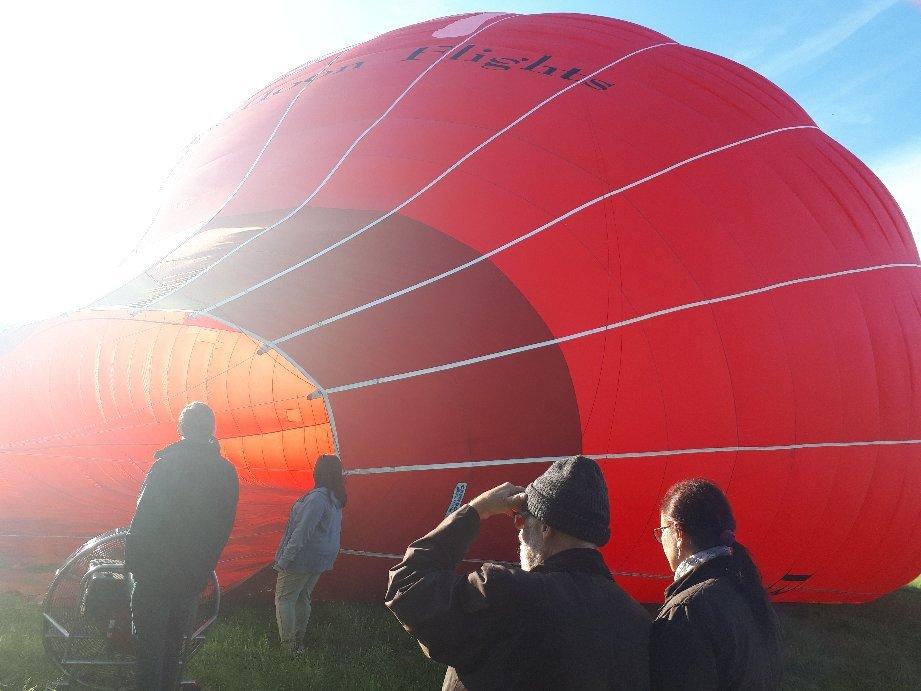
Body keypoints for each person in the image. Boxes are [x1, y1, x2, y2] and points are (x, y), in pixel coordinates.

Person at [386, 455, 651, 690]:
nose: (519, 531)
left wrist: (477, 510)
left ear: (546, 528)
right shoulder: (637, 622)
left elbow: (407, 584)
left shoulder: (507, 591)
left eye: (523, 518)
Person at [126, 401, 239, 690]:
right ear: (211, 429)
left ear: (182, 429)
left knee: (150, 648)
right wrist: (203, 568)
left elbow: (144, 519)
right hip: (192, 576)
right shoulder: (227, 473)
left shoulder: (166, 466)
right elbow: (223, 528)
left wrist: (133, 566)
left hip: (154, 575)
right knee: (176, 649)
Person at [651, 478, 782, 690]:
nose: (661, 540)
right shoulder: (747, 593)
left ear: (677, 532)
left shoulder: (688, 611)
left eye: (662, 530)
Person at [274, 454, 347, 653]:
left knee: (284, 599)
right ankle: (298, 642)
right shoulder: (336, 498)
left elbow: (302, 531)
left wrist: (285, 559)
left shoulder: (317, 498)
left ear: (319, 472)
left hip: (302, 558)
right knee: (302, 597)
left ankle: (288, 648)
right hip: (321, 558)